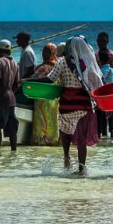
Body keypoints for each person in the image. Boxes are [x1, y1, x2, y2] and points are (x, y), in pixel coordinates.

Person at [38, 36, 102, 173]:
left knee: (65, 134)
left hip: (67, 104)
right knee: (82, 140)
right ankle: (81, 169)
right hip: (83, 105)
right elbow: (96, 83)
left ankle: (66, 159)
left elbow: (50, 79)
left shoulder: (62, 62)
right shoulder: (88, 63)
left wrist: (30, 80)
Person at [0, 39, 20, 152]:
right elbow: (17, 83)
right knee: (12, 127)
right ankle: (14, 150)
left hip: (1, 97)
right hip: (11, 97)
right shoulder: (15, 63)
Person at [31, 43, 59, 146]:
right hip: (54, 100)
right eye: (44, 52)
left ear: (53, 53)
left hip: (42, 100)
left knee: (42, 119)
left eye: (47, 52)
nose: (44, 54)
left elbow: (33, 81)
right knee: (52, 119)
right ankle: (53, 139)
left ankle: (41, 141)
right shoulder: (58, 66)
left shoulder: (42, 68)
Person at [97, 61, 113, 140]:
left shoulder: (98, 71)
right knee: (112, 123)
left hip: (102, 100)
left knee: (101, 124)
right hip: (112, 99)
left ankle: (101, 141)